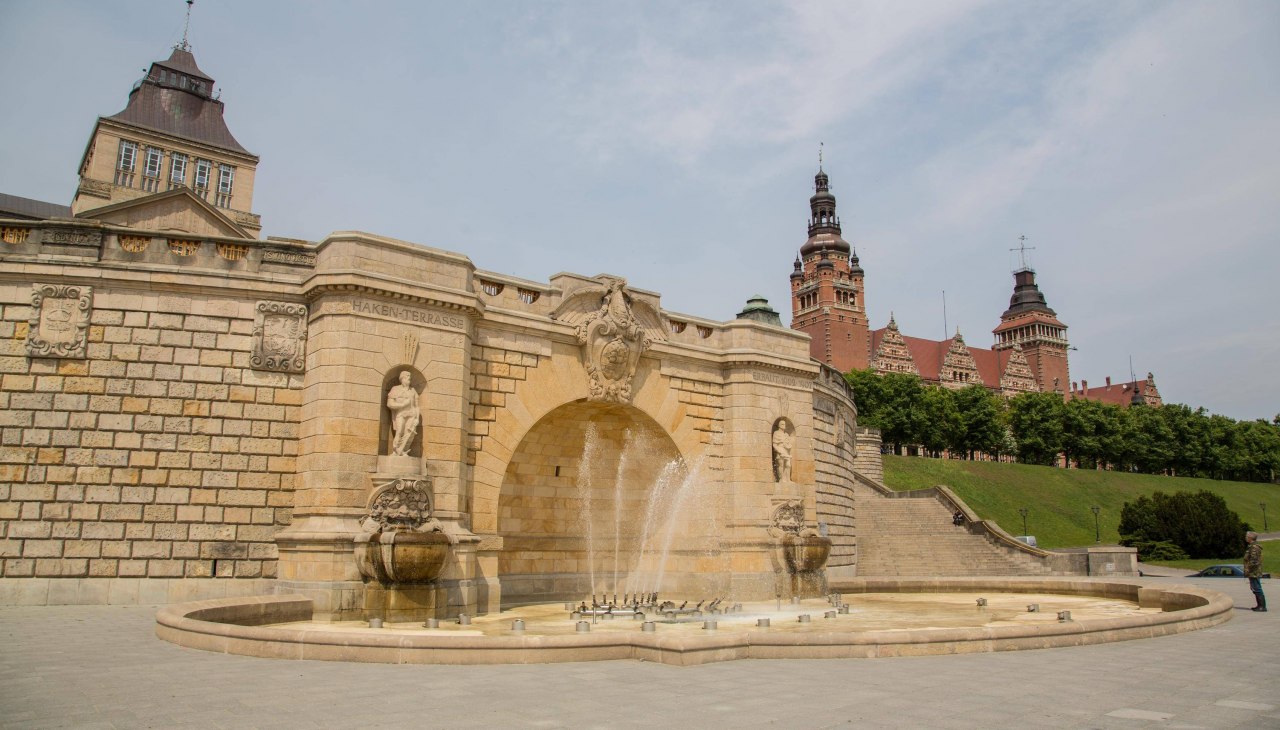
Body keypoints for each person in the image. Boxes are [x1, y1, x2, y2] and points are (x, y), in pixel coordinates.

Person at [386, 370, 420, 457]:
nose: (409, 379)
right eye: (407, 377)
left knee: (409, 434)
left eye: (409, 377)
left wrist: (417, 418)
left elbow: (417, 406)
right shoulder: (395, 389)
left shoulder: (413, 390)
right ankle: (395, 450)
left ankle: (403, 450)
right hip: (401, 414)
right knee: (399, 431)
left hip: (412, 415)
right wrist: (402, 404)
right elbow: (389, 403)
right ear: (402, 379)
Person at [1244, 531, 1267, 612]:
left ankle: (1262, 606)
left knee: (1257, 588)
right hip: (1252, 572)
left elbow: (1254, 561)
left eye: (1247, 536)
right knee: (1255, 588)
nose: (1245, 537)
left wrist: (1248, 568)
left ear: (1250, 538)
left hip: (1254, 572)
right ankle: (1259, 605)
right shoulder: (1251, 546)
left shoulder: (1254, 547)